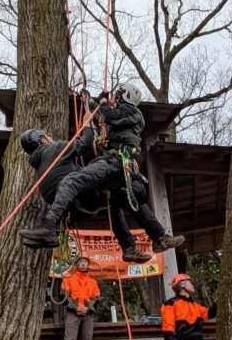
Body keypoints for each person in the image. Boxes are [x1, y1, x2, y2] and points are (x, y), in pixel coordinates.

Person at [17, 84, 184, 259]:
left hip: (113, 164)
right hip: (107, 173)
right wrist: (91, 107)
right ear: (42, 139)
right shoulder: (55, 147)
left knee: (84, 184)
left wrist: (98, 103)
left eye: (117, 96)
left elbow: (108, 115)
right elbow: (98, 125)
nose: (114, 99)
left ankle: (50, 227)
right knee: (114, 198)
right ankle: (151, 240)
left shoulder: (131, 112)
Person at [58, 256, 100, 340]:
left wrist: (88, 309)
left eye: (85, 263)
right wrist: (75, 308)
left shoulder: (93, 282)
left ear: (88, 265)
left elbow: (97, 298)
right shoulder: (69, 280)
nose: (83, 264)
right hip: (73, 313)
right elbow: (63, 297)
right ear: (76, 265)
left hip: (88, 314)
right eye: (81, 262)